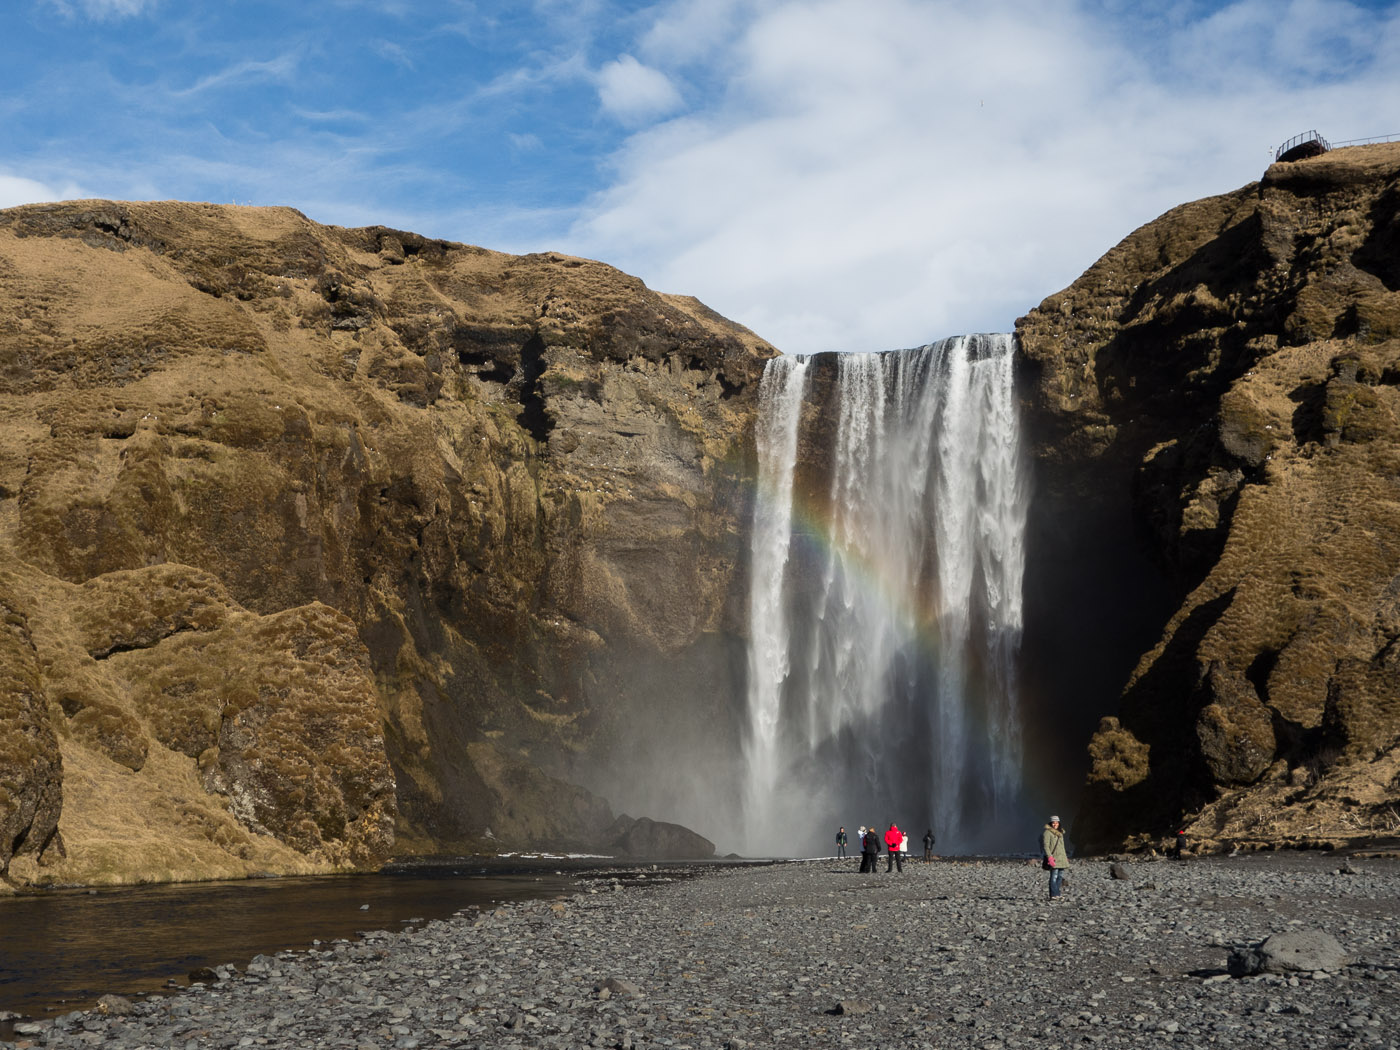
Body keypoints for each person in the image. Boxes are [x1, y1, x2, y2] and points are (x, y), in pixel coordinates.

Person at [1041, 815, 1069, 899]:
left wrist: (1065, 857)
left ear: (1059, 823)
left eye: (1056, 823)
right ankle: (1053, 895)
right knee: (1054, 876)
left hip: (1062, 858)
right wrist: (1050, 857)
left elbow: (1062, 846)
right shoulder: (1047, 833)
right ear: (1051, 823)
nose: (1055, 824)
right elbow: (1046, 846)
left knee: (1060, 877)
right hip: (1054, 858)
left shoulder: (1060, 833)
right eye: (1053, 823)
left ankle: (1057, 894)